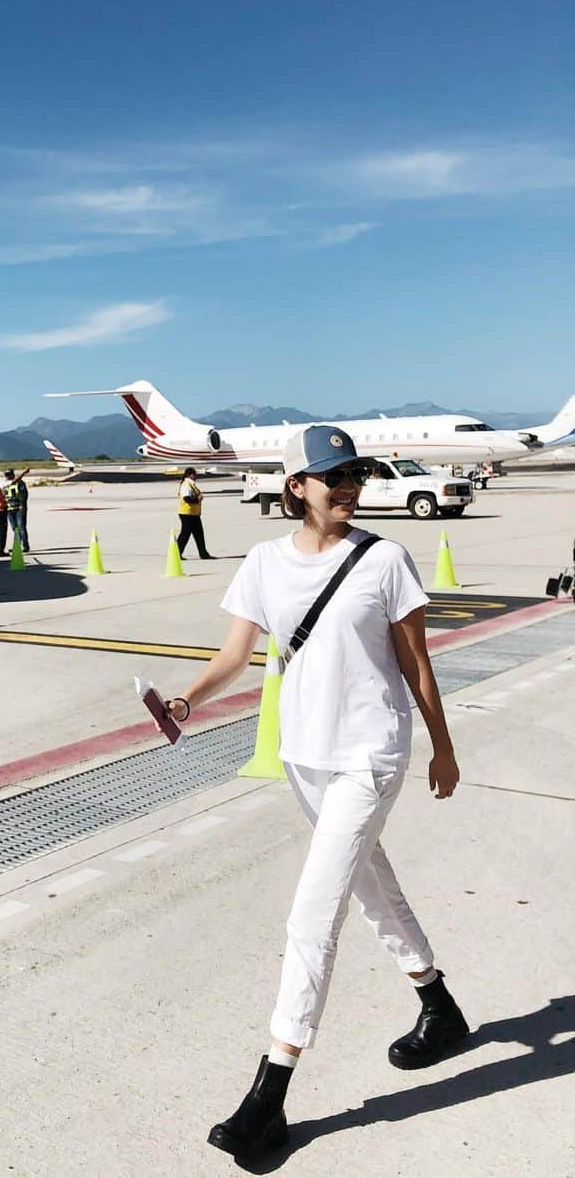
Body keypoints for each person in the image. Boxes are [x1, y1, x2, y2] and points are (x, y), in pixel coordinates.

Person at [166, 425, 467, 1161]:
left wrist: (445, 747)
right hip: (304, 753)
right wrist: (186, 702)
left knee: (312, 914)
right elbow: (236, 654)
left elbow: (417, 664)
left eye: (356, 473)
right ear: (295, 485)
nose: (350, 485)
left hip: (370, 753)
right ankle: (438, 1003)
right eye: (334, 475)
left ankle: (269, 1095)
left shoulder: (386, 559)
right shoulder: (265, 563)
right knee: (369, 885)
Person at [176, 467, 212, 559]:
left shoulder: (191, 484)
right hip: (186, 513)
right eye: (194, 474)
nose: (196, 476)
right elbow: (186, 498)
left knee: (199, 534)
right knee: (185, 534)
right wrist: (197, 499)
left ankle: (203, 553)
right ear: (189, 475)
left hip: (193, 514)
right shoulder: (186, 485)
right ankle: (176, 554)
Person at [3, 468, 31, 552]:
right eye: (6, 475)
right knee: (14, 528)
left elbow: (24, 494)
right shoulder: (5, 484)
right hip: (9, 509)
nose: (8, 476)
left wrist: (22, 504)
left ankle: (25, 546)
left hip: (19, 508)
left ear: (13, 474)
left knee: (21, 526)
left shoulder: (20, 483)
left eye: (9, 474)